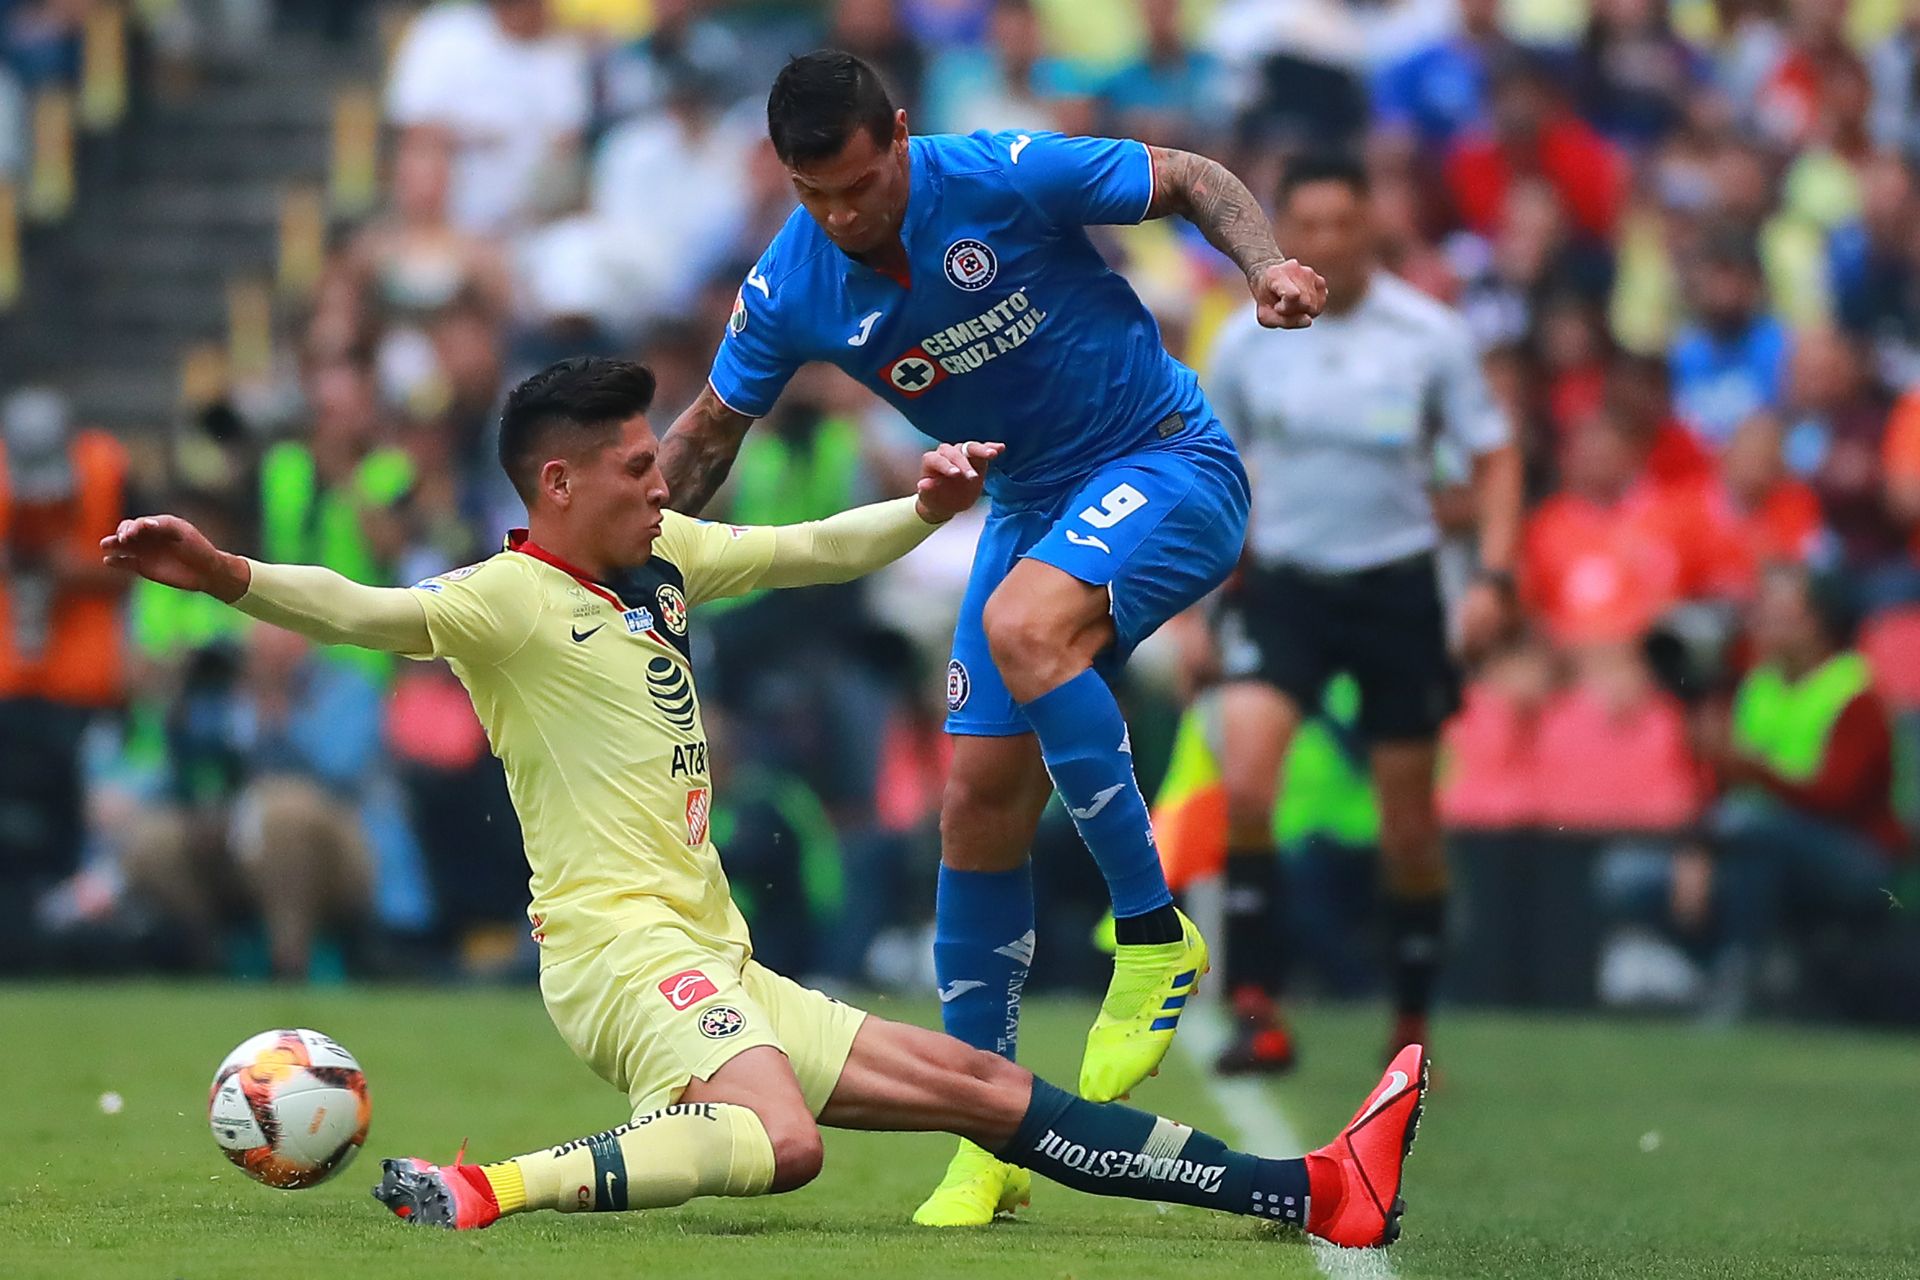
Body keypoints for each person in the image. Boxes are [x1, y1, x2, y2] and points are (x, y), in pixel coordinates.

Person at [101, 356, 1426, 1249]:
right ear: (556, 487)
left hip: (709, 952)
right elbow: (367, 612)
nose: (661, 476)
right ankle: (487, 1186)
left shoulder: (663, 559)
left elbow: (802, 551)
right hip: (622, 957)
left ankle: (1318, 1191)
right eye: (632, 464)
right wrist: (222, 572)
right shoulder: (504, 601)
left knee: (980, 1084)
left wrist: (922, 507)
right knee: (783, 1146)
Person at [655, 49, 1328, 1224]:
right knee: (972, 803)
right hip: (1029, 510)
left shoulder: (1006, 172)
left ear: (902, 135)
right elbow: (710, 435)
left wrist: (1265, 267)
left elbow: (1191, 176)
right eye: (815, 195)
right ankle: (986, 1140)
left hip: (1162, 457)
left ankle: (1153, 932)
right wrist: (621, 555)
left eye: (861, 184)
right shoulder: (792, 283)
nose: (844, 214)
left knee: (1022, 623)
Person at [1203, 154, 1523, 1072]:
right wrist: (1194, 594)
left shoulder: (1429, 336)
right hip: (1289, 582)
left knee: (1410, 824)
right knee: (1250, 782)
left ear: (1371, 227)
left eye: (1345, 222)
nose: (1328, 241)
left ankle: (1411, 1023)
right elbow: (1206, 455)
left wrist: (1495, 575)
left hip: (1395, 584)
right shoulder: (1246, 337)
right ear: (1286, 231)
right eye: (1309, 224)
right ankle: (1259, 1004)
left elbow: (1494, 455)